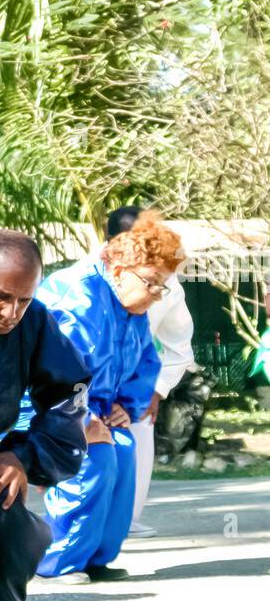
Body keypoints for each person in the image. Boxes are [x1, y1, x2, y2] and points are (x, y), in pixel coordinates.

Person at [35, 211, 184, 584]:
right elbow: (53, 370)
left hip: (94, 406)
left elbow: (144, 361)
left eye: (161, 286)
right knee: (93, 456)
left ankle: (96, 557)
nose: (156, 294)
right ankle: (60, 560)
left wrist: (125, 406)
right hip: (49, 406)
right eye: (151, 283)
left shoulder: (130, 305)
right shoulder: (78, 298)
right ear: (119, 271)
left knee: (122, 450)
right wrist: (81, 419)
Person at [0, 231, 91, 601]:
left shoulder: (36, 321)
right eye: (0, 296)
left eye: (23, 299)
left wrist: (22, 456)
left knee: (15, 520)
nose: (11, 312)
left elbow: (69, 393)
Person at [99, 207, 195, 539]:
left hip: (133, 389)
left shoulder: (167, 286)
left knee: (135, 453)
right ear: (111, 242)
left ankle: (124, 522)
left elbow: (180, 345)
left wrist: (156, 390)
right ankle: (78, 536)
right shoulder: (83, 280)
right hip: (82, 389)